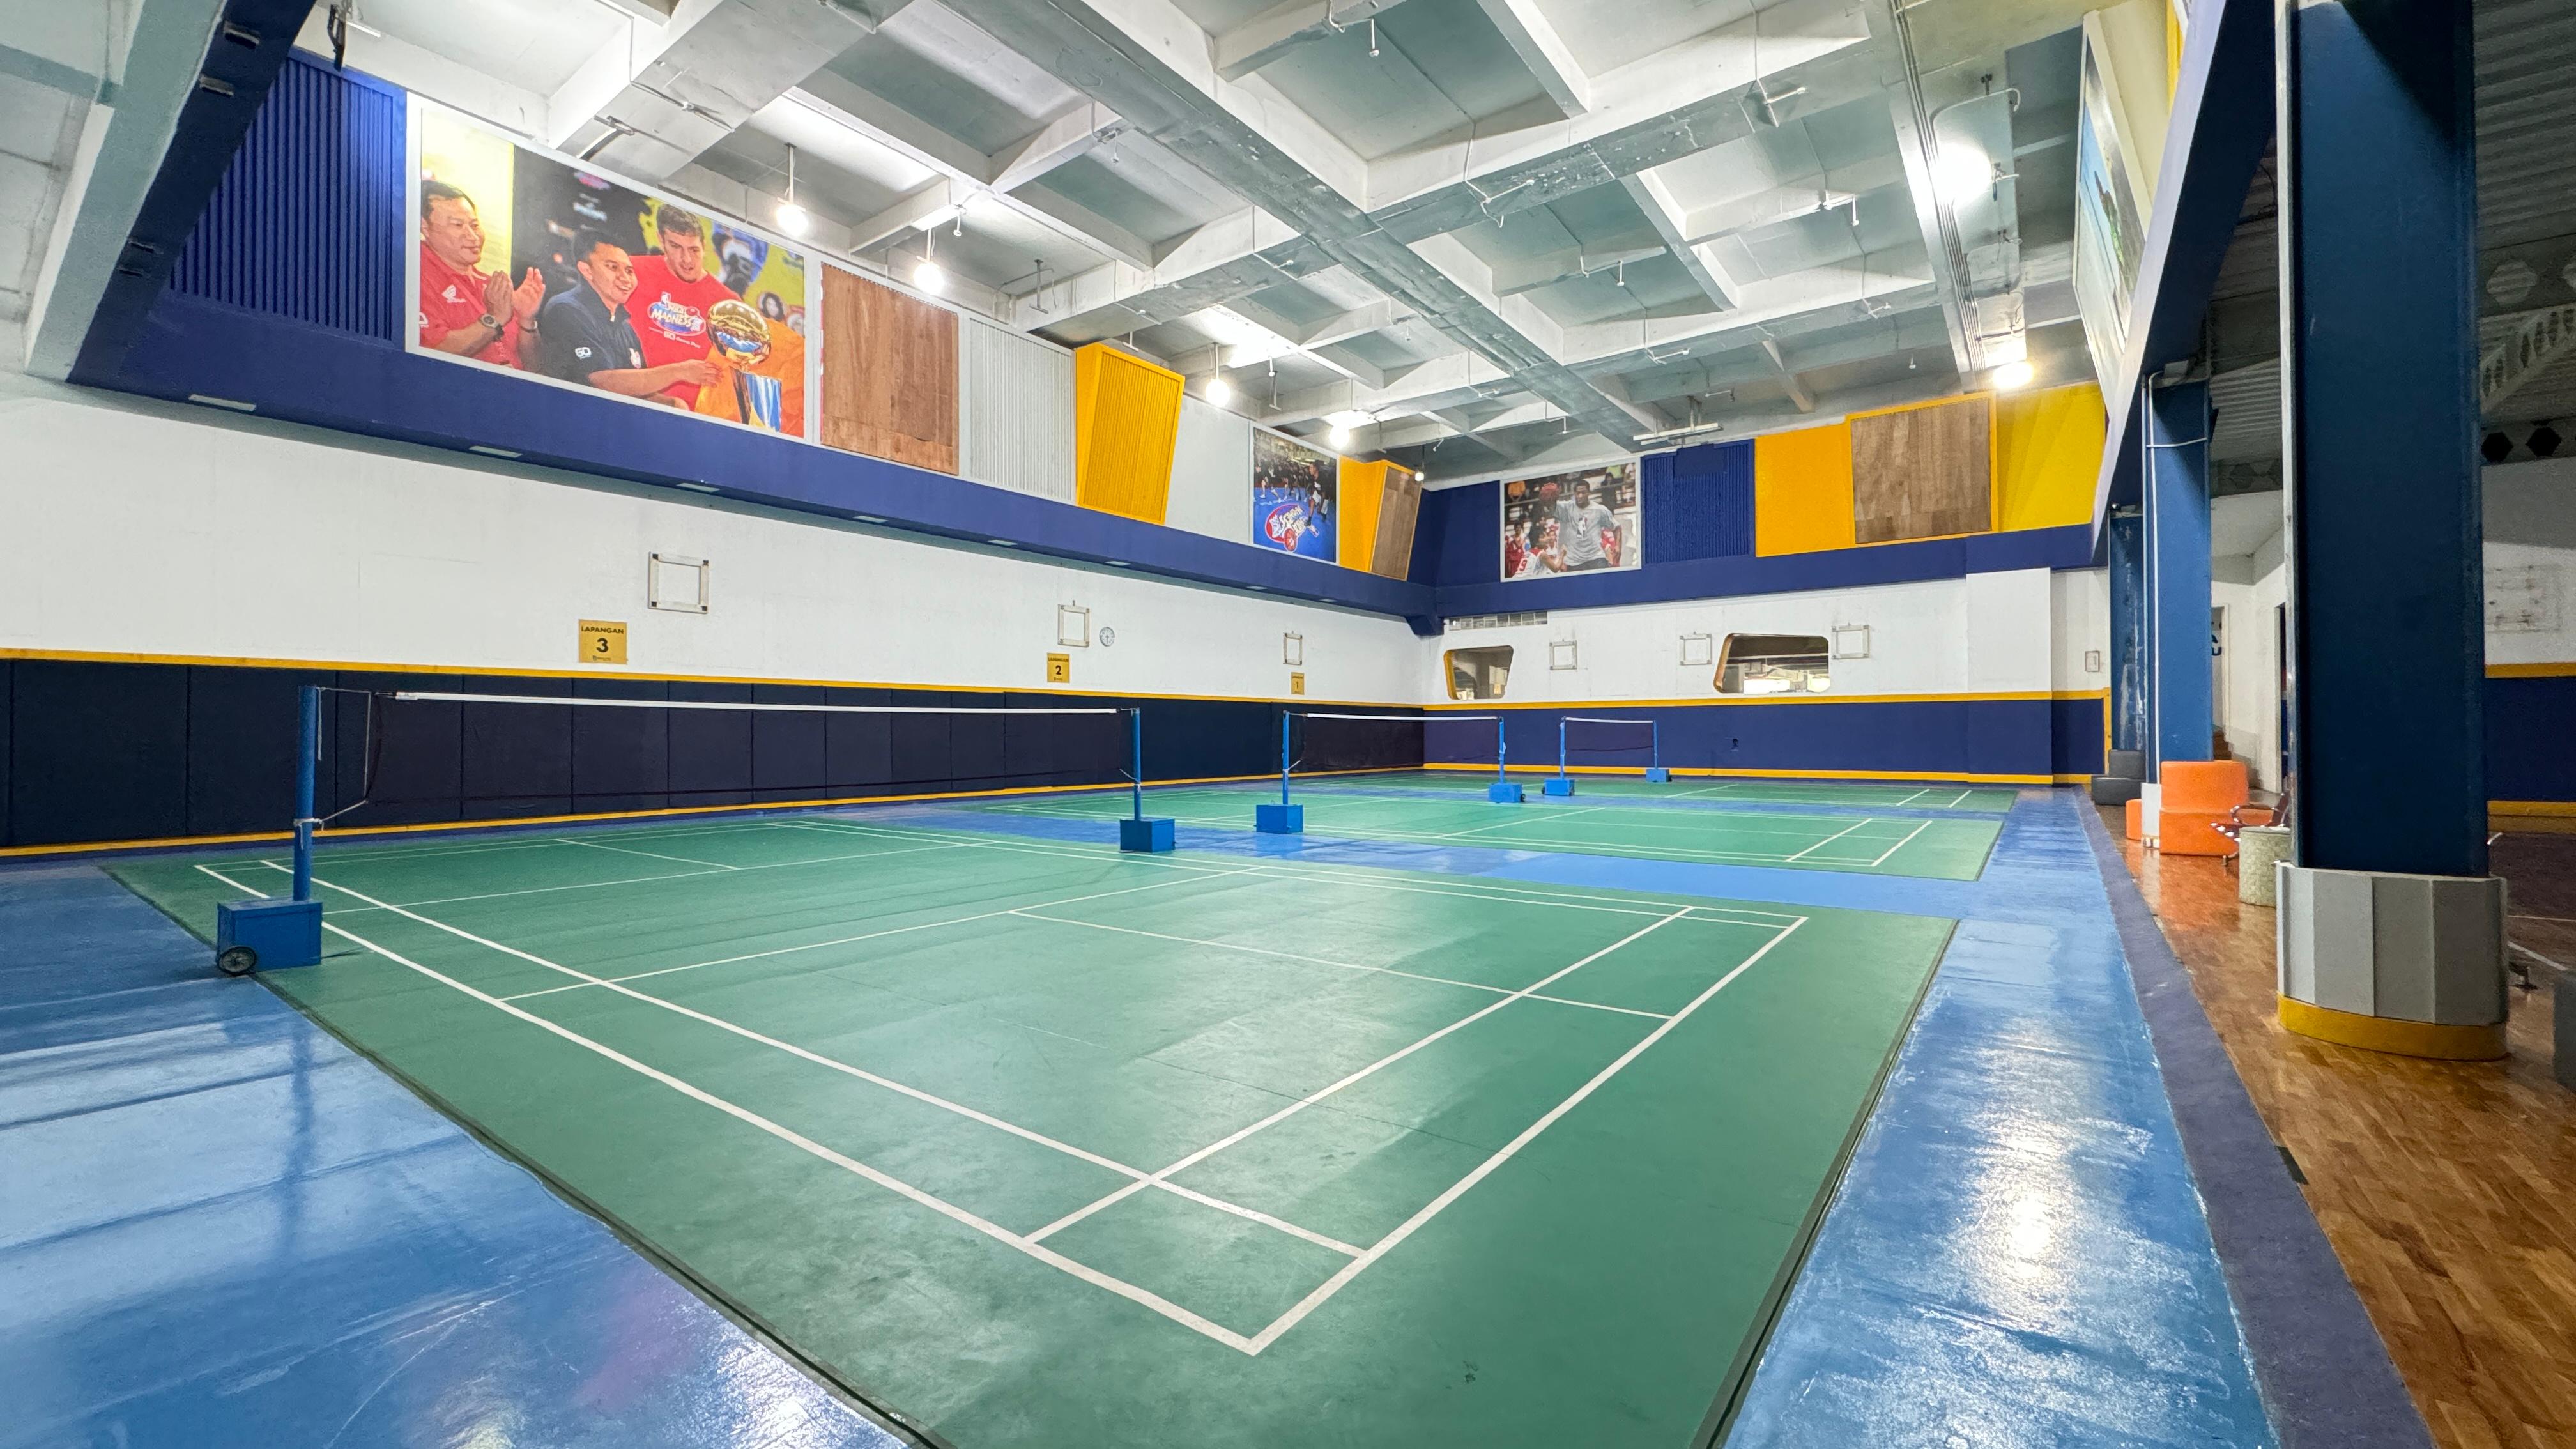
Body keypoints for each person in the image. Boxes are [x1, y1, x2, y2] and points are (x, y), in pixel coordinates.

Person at [534, 229, 720, 402]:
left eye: (629, 271)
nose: (625, 278)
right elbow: (602, 381)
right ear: (587, 270)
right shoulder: (566, 309)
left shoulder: (625, 327)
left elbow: (637, 390)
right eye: (613, 267)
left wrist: (674, 405)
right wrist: (680, 371)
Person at [417, 179, 542, 367]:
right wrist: (494, 319)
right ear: (425, 227)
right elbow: (432, 353)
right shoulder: (415, 274)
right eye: (458, 225)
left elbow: (534, 367)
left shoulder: (491, 284)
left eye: (475, 225)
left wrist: (527, 320)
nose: (473, 236)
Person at [627, 210, 739, 408]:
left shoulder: (729, 303)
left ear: (704, 246)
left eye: (694, 250)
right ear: (661, 241)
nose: (687, 259)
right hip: (628, 403)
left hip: (695, 417)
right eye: (676, 247)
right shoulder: (630, 272)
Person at [1554, 476, 1620, 572]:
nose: (1580, 496)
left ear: (1589, 492)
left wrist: (1618, 546)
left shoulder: (1599, 510)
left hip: (1595, 558)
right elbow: (1551, 506)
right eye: (1578, 493)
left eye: (1583, 492)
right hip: (1575, 561)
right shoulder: (1567, 508)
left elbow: (1617, 527)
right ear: (1574, 494)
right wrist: (1550, 499)